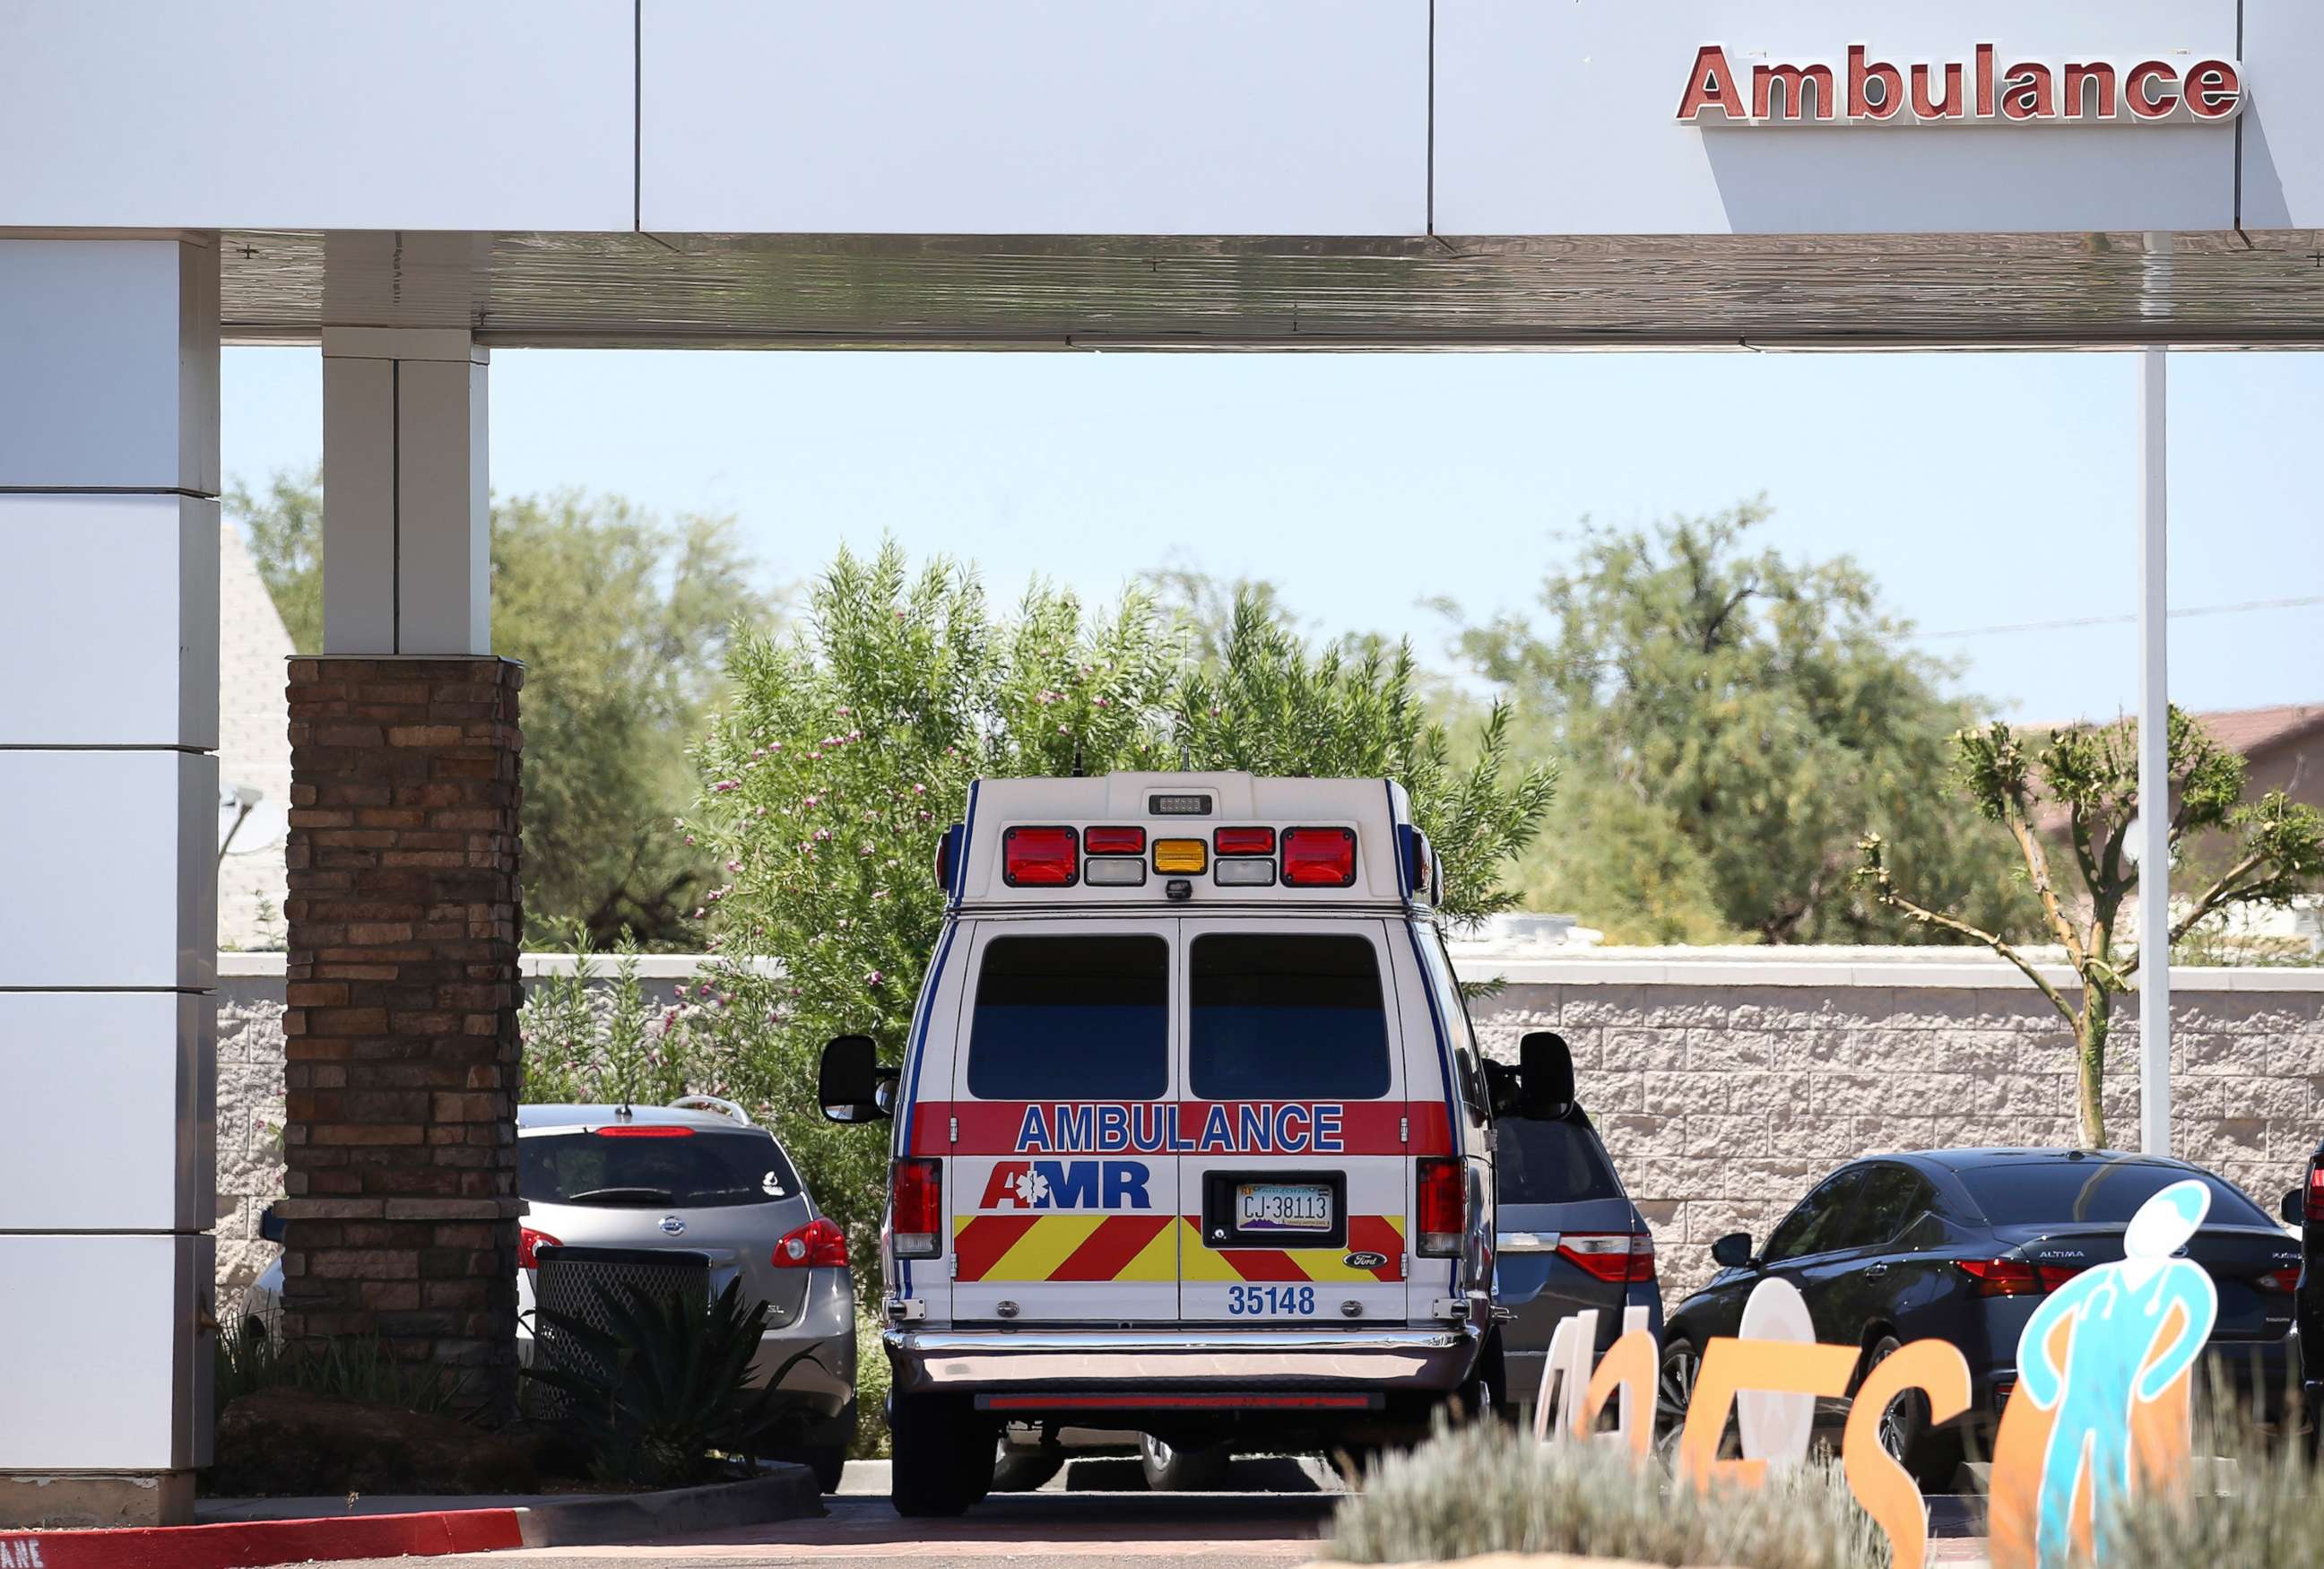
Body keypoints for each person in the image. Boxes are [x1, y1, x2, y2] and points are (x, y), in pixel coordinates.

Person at [2012, 1179, 2217, 1565]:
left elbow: (2196, 1317)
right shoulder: (2101, 1280)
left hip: (2117, 1401)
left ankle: (2110, 1556)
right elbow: (2046, 1324)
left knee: (2111, 1484)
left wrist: (2158, 1374)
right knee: (2058, 1475)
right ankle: (2048, 1555)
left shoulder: (2177, 1280)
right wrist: (2042, 1379)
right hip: (2074, 1396)